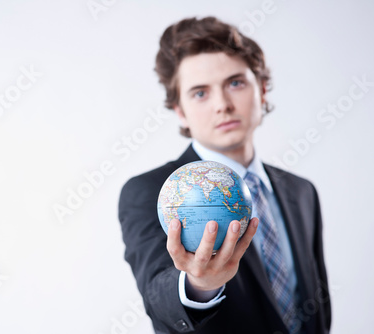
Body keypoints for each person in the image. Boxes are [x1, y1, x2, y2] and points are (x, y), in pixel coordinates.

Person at [118, 16, 331, 334]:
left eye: (235, 83)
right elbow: (158, 296)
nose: (223, 105)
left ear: (261, 90)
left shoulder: (301, 191)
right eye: (200, 93)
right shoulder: (150, 191)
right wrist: (198, 285)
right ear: (180, 111)